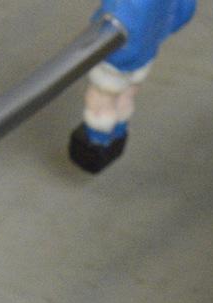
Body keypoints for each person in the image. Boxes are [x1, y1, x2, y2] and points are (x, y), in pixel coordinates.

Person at [69, 0, 197, 174]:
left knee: (102, 99)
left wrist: (102, 31)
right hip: (147, 44)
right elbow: (183, 12)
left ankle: (96, 142)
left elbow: (118, 15)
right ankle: (117, 132)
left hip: (118, 50)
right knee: (127, 92)